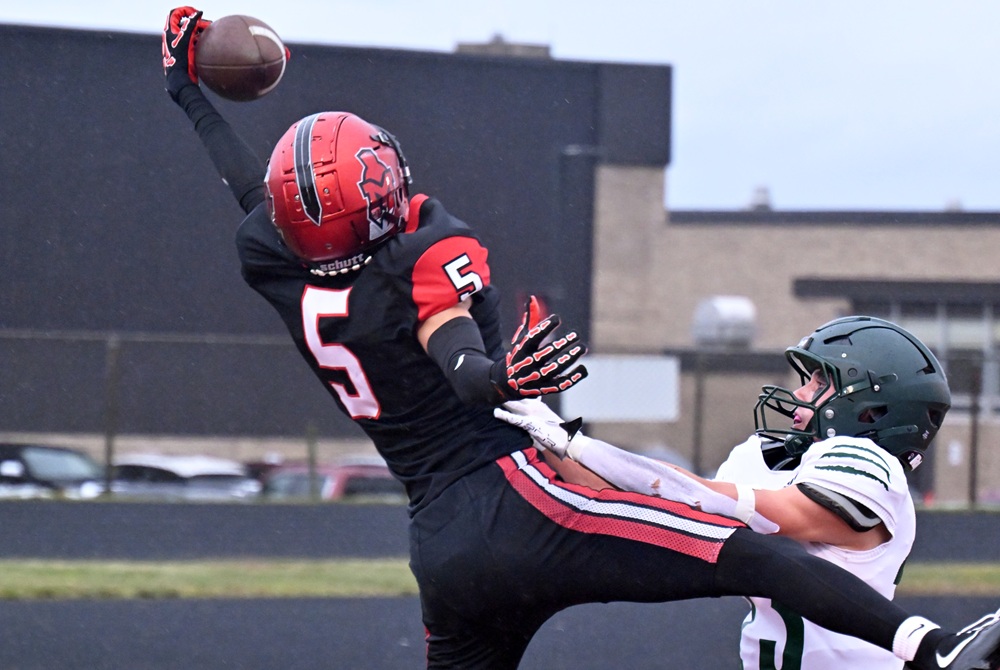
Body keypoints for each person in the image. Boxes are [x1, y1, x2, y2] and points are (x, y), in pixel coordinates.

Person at [162, 8, 1000, 669]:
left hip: (441, 547)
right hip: (521, 503)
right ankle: (933, 648)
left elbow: (256, 196)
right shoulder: (424, 250)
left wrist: (189, 91)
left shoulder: (276, 261)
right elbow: (456, 359)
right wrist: (501, 378)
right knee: (743, 555)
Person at [498, 315, 975, 669]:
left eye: (818, 382)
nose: (801, 395)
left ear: (870, 409)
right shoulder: (771, 459)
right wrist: (527, 412)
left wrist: (583, 444)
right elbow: (631, 495)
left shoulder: (869, 466)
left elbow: (745, 507)